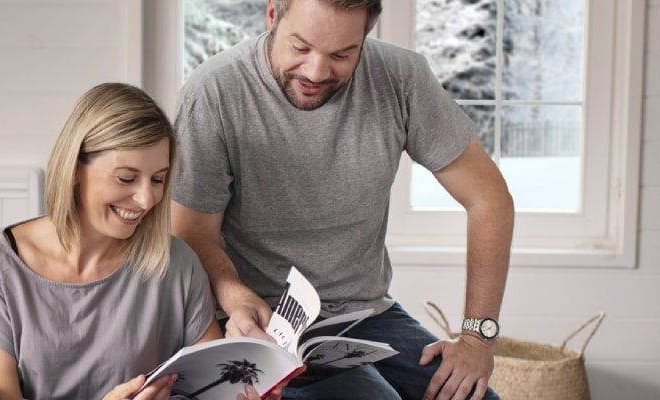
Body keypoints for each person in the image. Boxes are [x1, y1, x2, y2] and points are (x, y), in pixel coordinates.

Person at [170, 1, 515, 400]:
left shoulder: (401, 78)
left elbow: (490, 199)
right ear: (271, 16)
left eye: (341, 54)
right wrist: (234, 295)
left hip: (366, 318)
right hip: (259, 326)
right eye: (300, 47)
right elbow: (191, 232)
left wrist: (478, 338)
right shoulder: (213, 92)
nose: (316, 72)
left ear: (365, 39)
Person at [0, 82, 279, 400]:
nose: (146, 198)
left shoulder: (177, 264)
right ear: (76, 167)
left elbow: (213, 388)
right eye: (126, 178)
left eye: (158, 179)